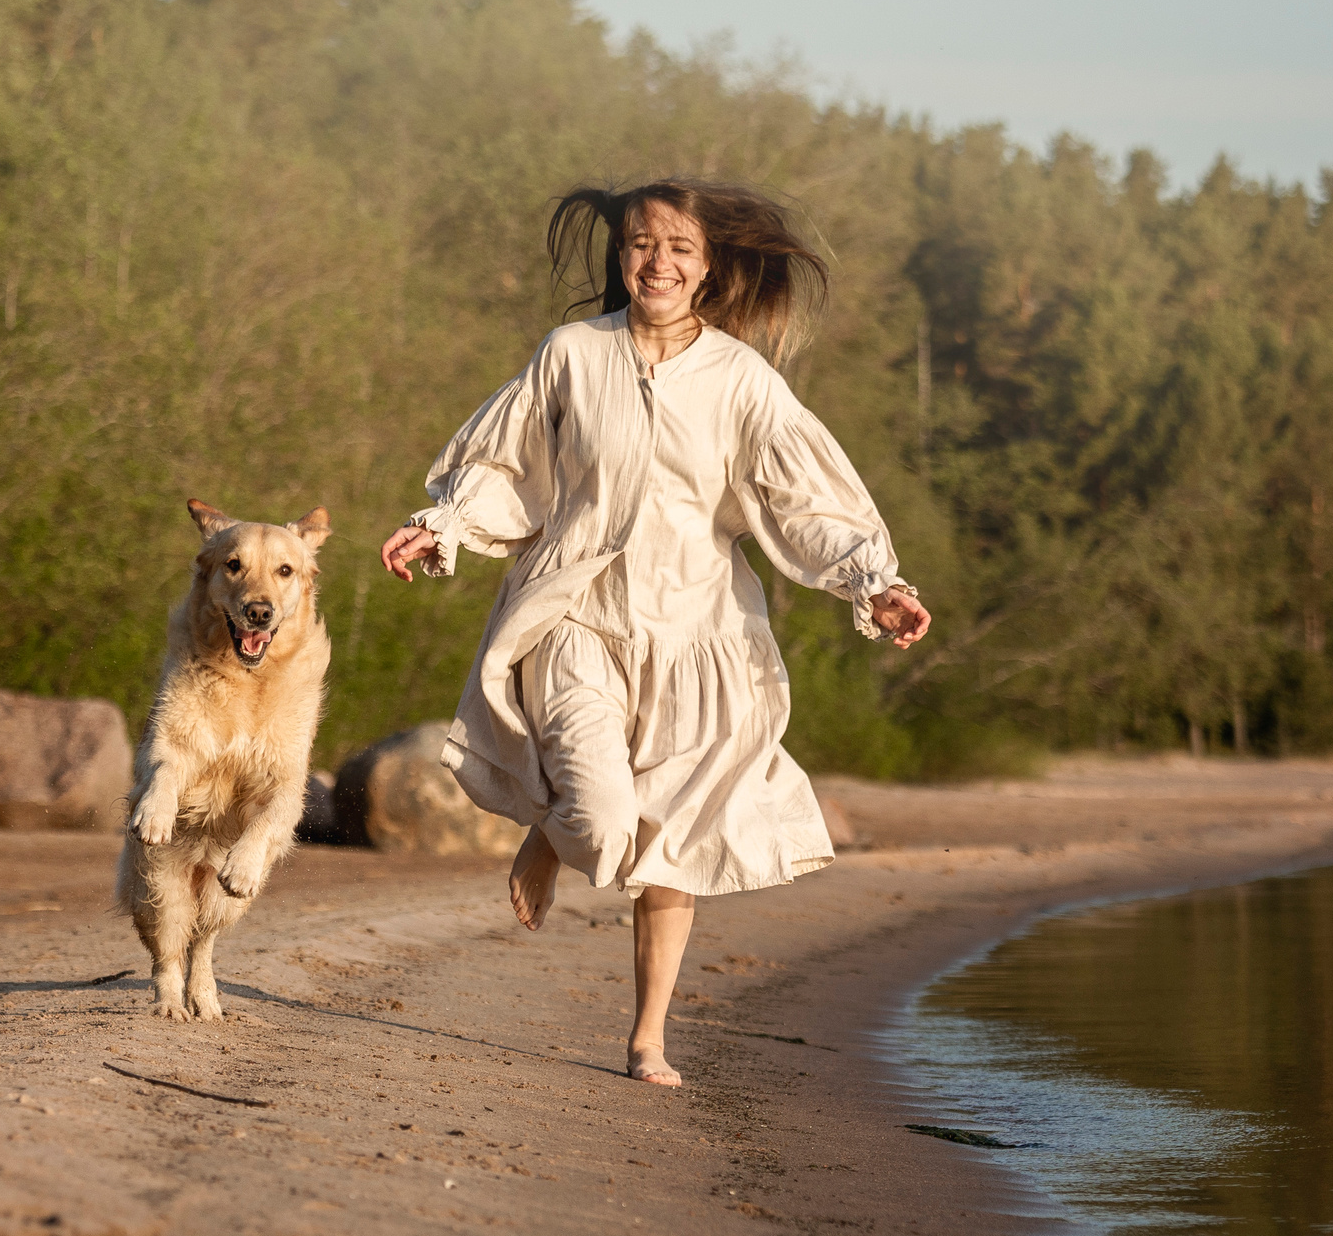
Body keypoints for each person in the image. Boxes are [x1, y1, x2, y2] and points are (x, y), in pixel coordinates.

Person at [378, 178, 929, 1087]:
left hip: (699, 635)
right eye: (640, 243)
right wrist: (442, 526)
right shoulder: (572, 354)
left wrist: (876, 582)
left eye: (678, 247)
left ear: (709, 268)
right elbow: (510, 465)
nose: (657, 261)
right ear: (621, 255)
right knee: (600, 822)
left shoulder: (742, 379)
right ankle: (555, 835)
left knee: (676, 848)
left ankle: (646, 1039)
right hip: (580, 621)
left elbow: (804, 498)